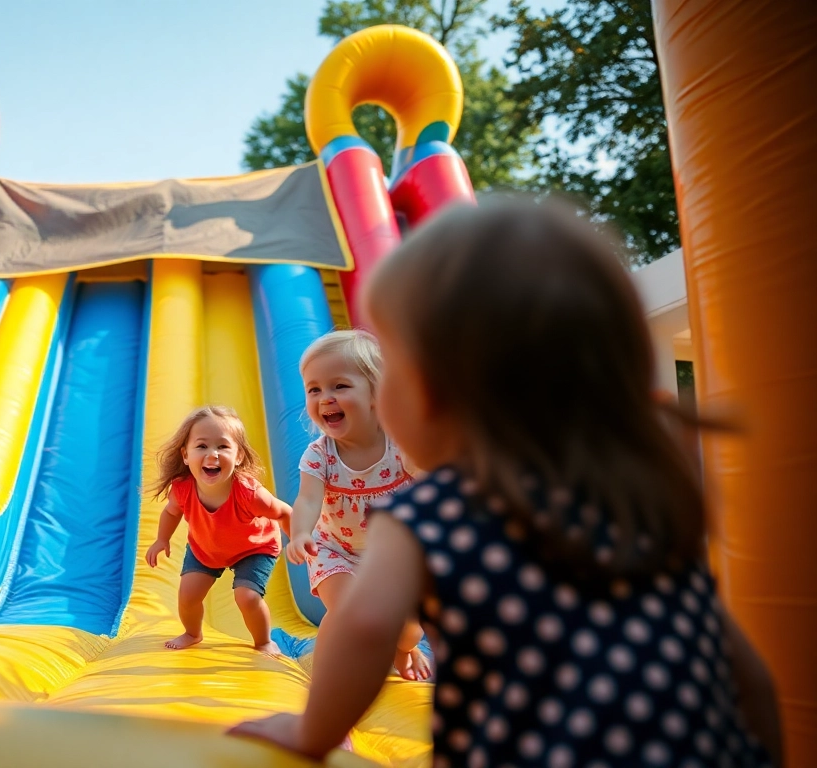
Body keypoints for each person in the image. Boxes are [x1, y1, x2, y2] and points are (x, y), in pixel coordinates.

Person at [231, 199, 782, 766]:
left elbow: (365, 625)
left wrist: (311, 733)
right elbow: (745, 674)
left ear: (436, 389)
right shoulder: (632, 502)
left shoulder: (434, 511)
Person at [285, 330, 431, 680]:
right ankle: (325, 688)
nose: (325, 398)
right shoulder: (320, 456)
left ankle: (404, 648)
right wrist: (300, 532)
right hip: (334, 549)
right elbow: (307, 499)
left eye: (339, 386)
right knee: (348, 611)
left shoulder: (399, 444)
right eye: (314, 389)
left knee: (410, 629)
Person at [145, 405, 292, 656]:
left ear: (239, 457)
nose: (212, 454)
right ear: (185, 455)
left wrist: (298, 540)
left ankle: (264, 641)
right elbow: (171, 512)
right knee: (188, 596)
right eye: (201, 446)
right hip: (206, 547)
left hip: (254, 547)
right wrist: (161, 539)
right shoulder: (182, 489)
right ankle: (193, 633)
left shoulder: (249, 494)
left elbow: (284, 512)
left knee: (246, 597)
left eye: (223, 446)